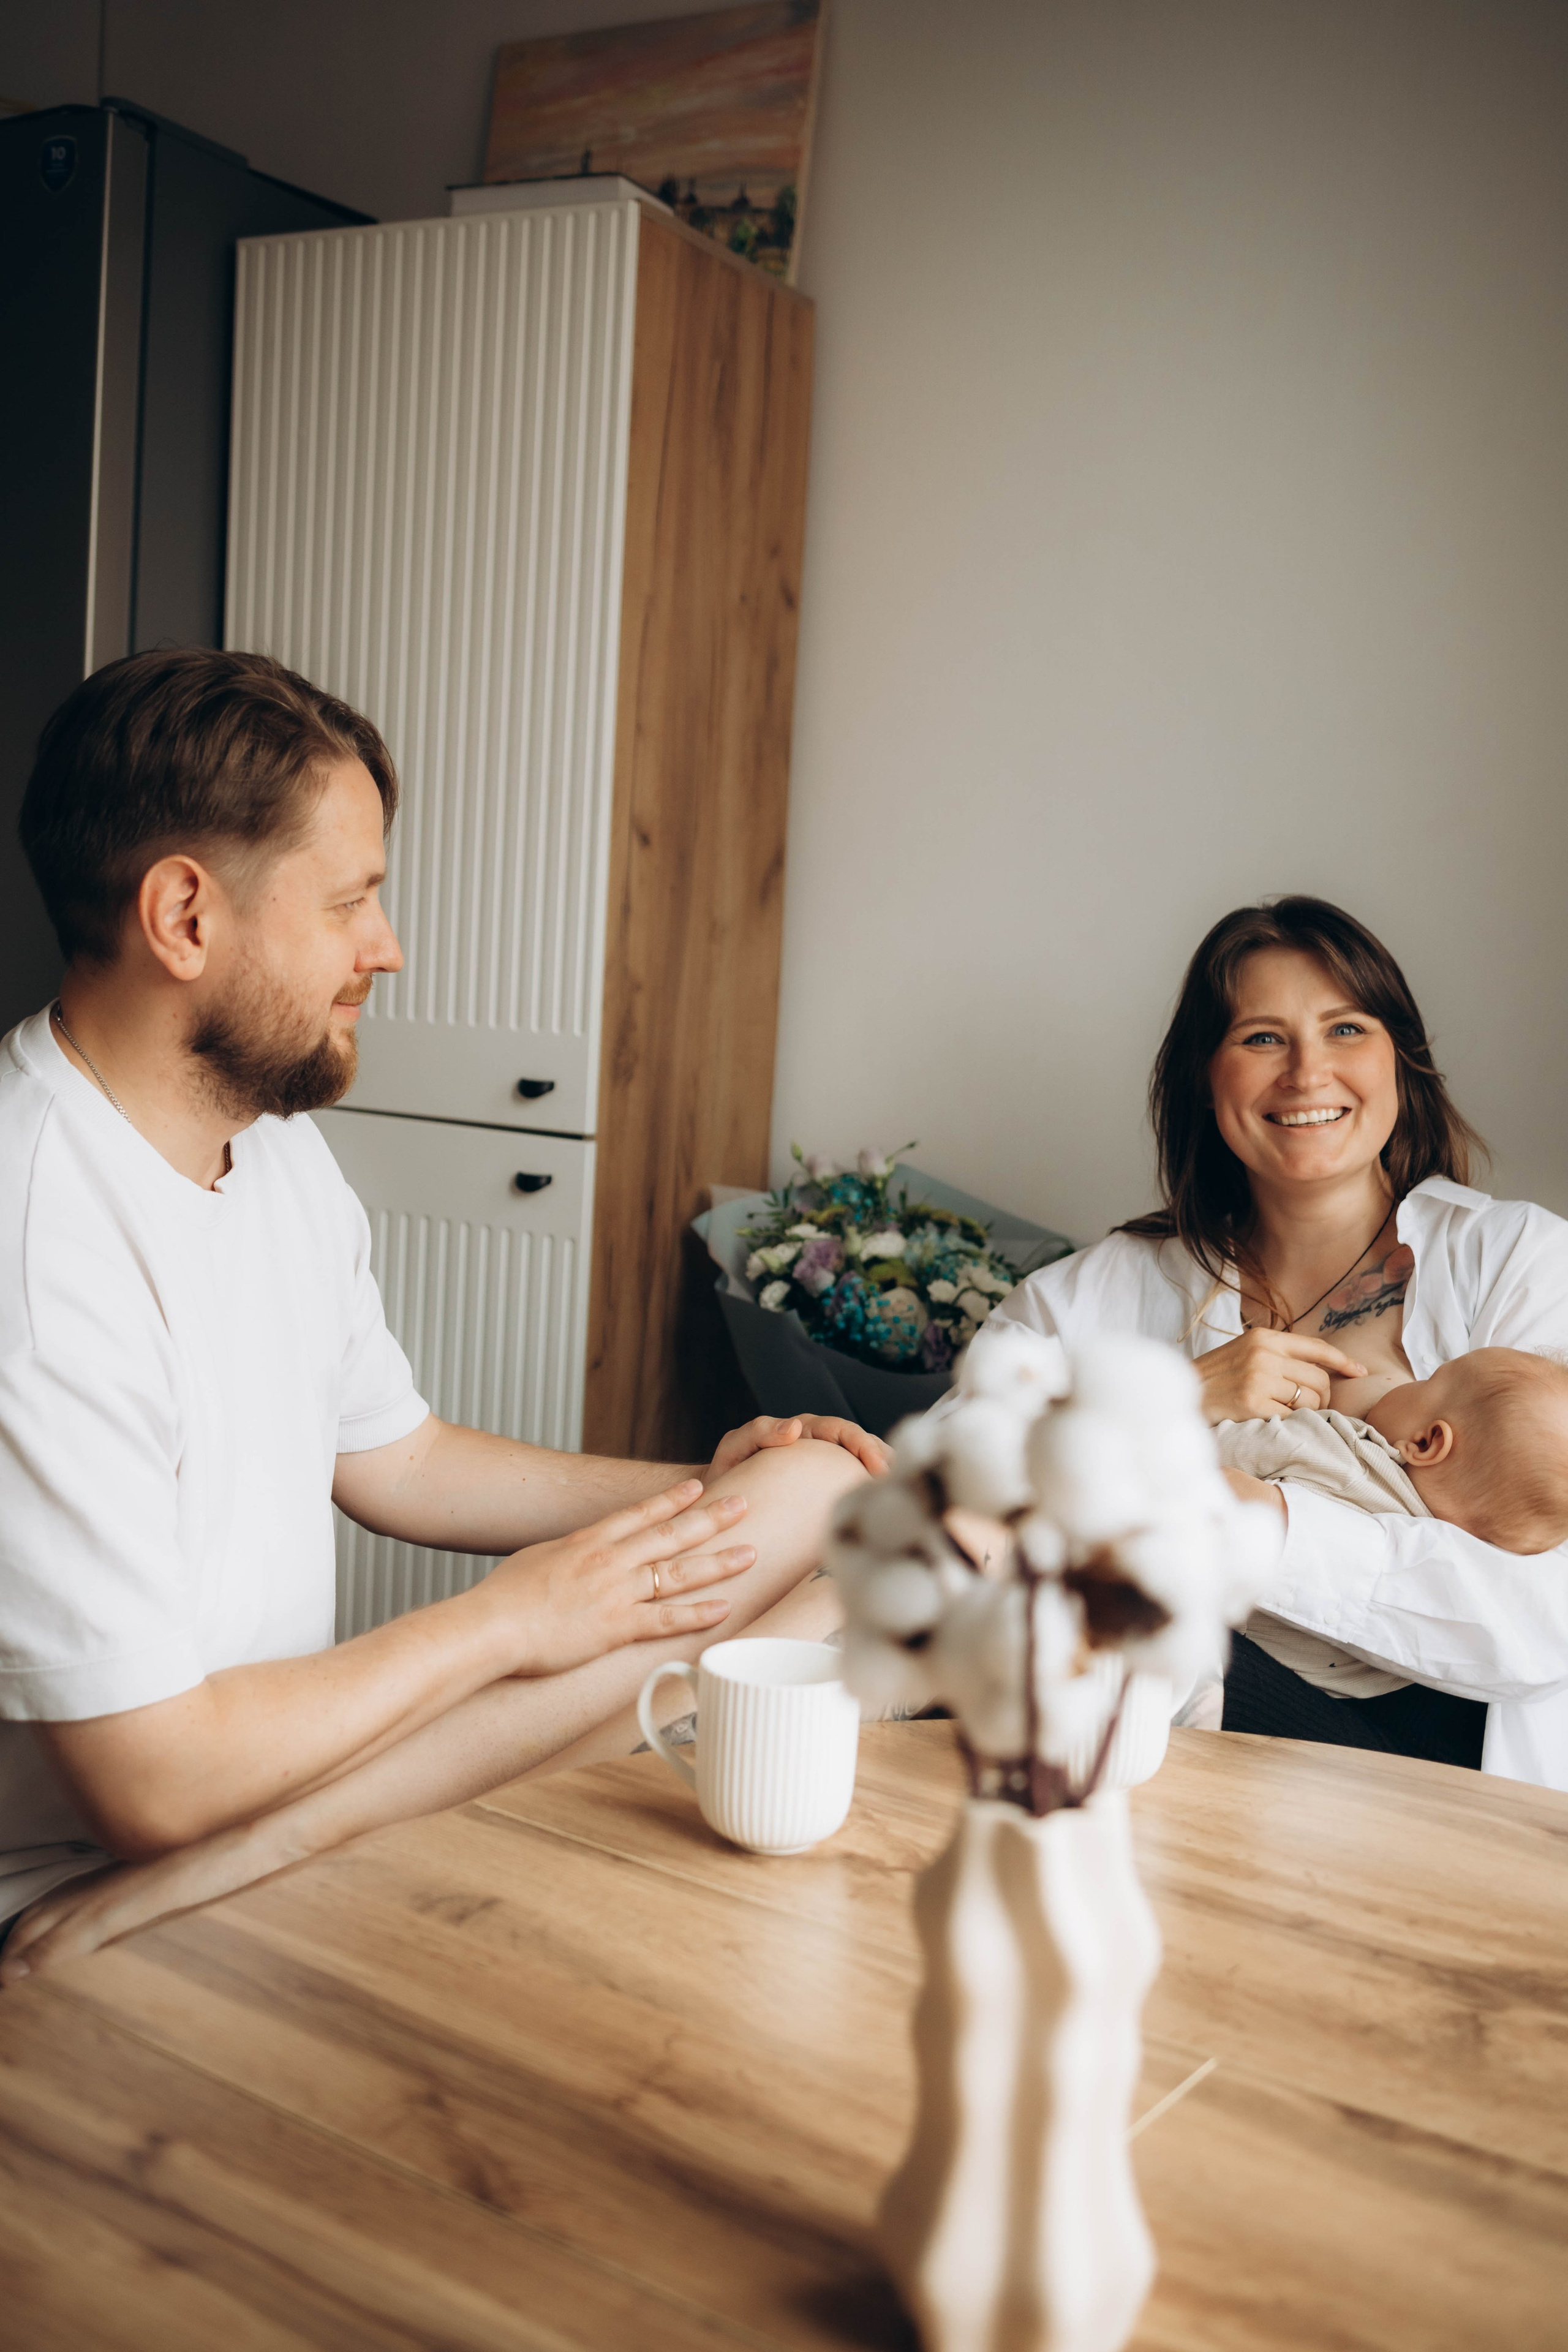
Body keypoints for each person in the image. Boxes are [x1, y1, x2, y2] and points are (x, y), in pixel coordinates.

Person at [0, 649, 885, 1981]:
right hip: (109, 1860)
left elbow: (392, 1457)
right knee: (785, 1614)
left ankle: (302, 1842)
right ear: (185, 917)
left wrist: (688, 1490)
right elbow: (155, 1782)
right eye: (352, 899)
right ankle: (266, 1862)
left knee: (818, 1496)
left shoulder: (270, 1143)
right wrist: (510, 1621)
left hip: (295, 1786)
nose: (387, 949)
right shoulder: (36, 1238)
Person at [971, 894, 1568, 1787]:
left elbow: (1543, 1619)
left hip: (1413, 1771)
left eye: (1345, 1029)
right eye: (1261, 1038)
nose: (1306, 1074)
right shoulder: (1105, 1287)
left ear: (1400, 1060)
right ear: (1204, 1077)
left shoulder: (1518, 1261)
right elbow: (949, 1470)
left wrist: (1256, 1523)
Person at [1219, 1348, 1568, 1702]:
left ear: (1425, 1443)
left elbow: (1205, 1451)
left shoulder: (1335, 1452)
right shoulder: (1395, 1665)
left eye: (1429, 1380)